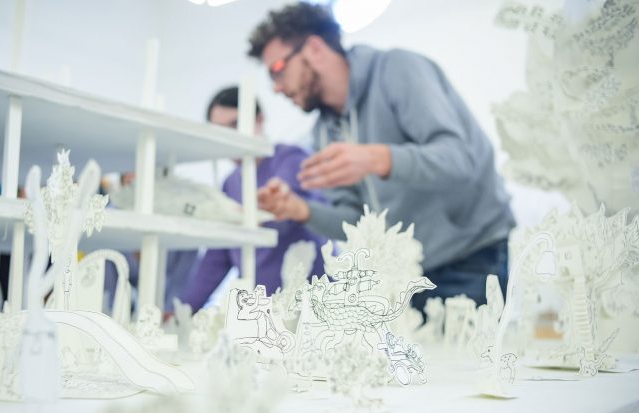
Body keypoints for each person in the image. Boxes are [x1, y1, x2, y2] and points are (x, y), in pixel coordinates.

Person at [249, 3, 516, 311]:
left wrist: (379, 159)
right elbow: (356, 222)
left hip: (470, 258)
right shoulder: (325, 132)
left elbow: (460, 159)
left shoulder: (397, 69)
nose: (276, 88)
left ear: (315, 49)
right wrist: (302, 210)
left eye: (277, 69)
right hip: (406, 278)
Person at [179, 86, 327, 313]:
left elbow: (287, 198)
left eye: (234, 125)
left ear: (259, 120)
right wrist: (184, 309)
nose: (228, 137)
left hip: (314, 306)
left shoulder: (291, 158)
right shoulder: (230, 184)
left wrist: (274, 200)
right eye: (219, 130)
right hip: (263, 313)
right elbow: (217, 257)